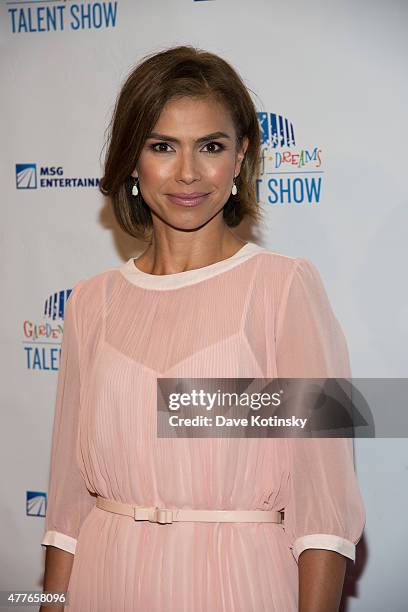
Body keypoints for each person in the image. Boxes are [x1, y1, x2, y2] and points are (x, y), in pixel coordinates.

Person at [40, 45, 365, 611]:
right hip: (104, 583)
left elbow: (324, 509)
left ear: (240, 157)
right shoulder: (93, 303)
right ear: (132, 160)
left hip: (236, 586)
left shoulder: (284, 290)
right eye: (162, 146)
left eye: (210, 147)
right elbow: (67, 508)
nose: (188, 173)